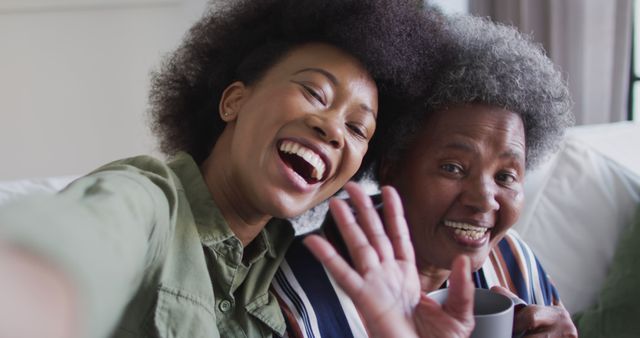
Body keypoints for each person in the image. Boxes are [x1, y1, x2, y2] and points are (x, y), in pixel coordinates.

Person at [0, 1, 475, 338]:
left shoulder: (293, 269)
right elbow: (75, 240)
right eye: (314, 93)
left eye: (357, 127)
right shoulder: (149, 202)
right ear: (233, 101)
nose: (332, 129)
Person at [274, 13, 578, 338]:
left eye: (505, 176)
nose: (483, 199)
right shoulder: (299, 290)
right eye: (453, 168)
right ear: (391, 167)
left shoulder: (514, 260)